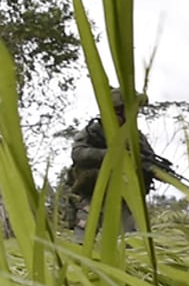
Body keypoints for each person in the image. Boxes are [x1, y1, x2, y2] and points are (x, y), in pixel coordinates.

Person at [65, 98, 176, 240]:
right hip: (94, 186)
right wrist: (110, 154)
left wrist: (157, 172)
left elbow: (147, 159)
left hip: (125, 191)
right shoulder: (93, 130)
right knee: (85, 229)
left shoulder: (136, 136)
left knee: (129, 237)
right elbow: (78, 153)